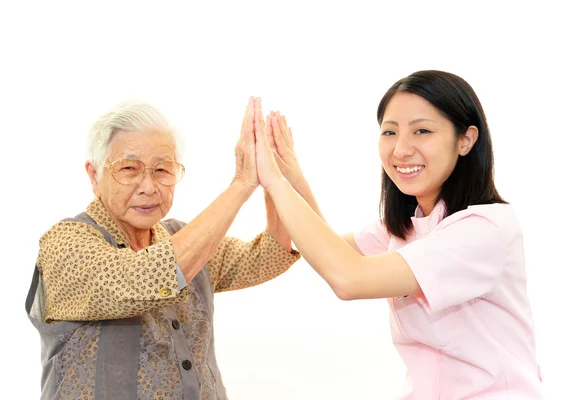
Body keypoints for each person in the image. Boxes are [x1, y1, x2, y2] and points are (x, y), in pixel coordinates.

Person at [253, 70, 543, 399]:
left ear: (466, 139)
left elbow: (349, 278)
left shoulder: (485, 229)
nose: (401, 149)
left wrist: (275, 182)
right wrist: (292, 176)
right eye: (390, 132)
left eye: (422, 130)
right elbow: (327, 253)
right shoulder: (408, 225)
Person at [26, 97, 302, 400]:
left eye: (162, 170)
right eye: (130, 168)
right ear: (95, 175)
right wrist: (241, 183)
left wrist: (279, 177)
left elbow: (271, 255)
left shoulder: (182, 236)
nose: (148, 186)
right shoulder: (65, 243)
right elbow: (142, 278)